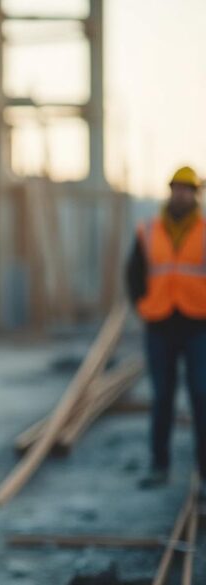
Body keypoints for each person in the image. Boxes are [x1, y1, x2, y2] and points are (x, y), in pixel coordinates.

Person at [126, 165, 206, 495]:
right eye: (177, 188)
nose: (181, 193)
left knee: (201, 397)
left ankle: (203, 473)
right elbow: (133, 274)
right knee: (162, 398)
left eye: (187, 189)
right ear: (170, 191)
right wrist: (142, 307)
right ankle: (160, 466)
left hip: (199, 325)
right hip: (159, 324)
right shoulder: (148, 229)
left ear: (195, 194)